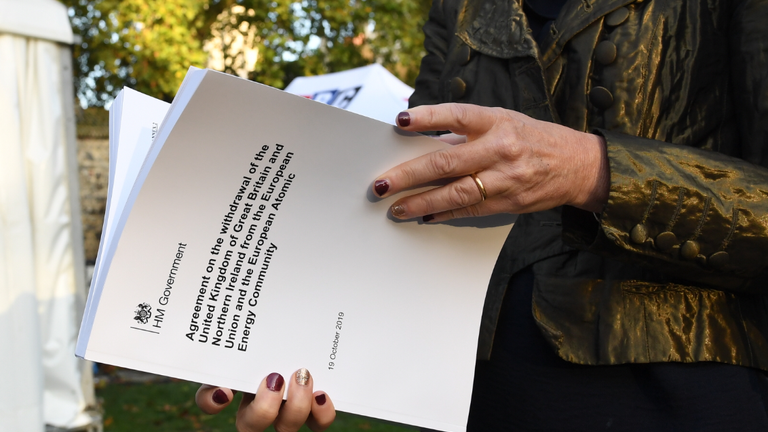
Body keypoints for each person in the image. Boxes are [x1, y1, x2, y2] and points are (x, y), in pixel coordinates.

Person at [196, 0, 768, 429]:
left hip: (686, 393)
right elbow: (403, 192)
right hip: (482, 395)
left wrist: (587, 168)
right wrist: (272, 330)